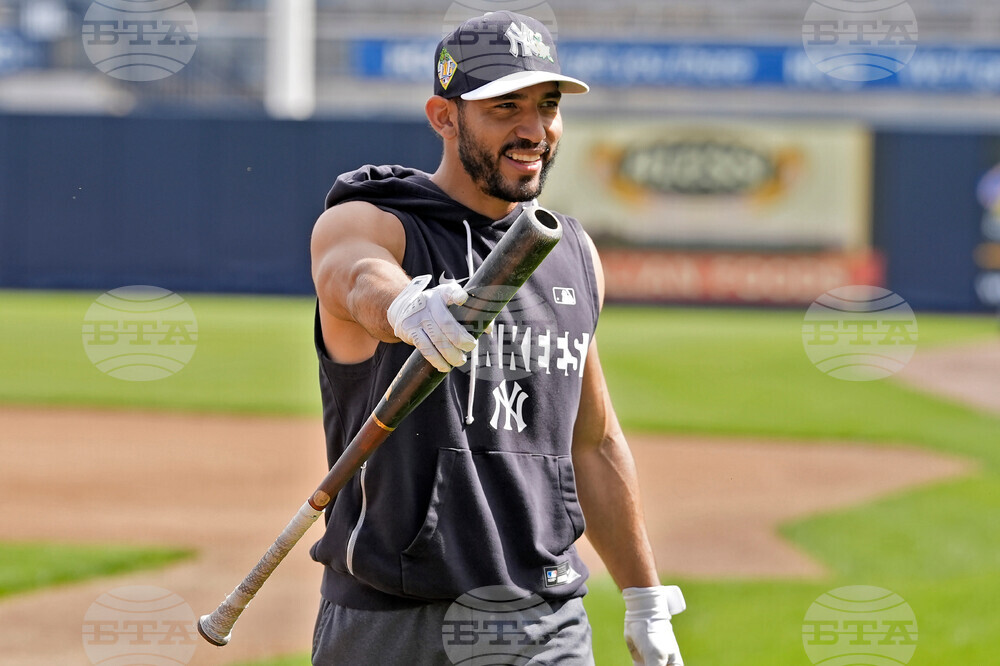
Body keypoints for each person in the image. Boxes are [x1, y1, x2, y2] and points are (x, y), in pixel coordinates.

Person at [308, 11, 685, 665]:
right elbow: (351, 274)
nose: (533, 129)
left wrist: (645, 598)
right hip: (395, 621)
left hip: (541, 622)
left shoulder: (569, 251)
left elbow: (590, 441)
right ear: (443, 116)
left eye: (546, 106)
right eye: (504, 106)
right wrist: (404, 307)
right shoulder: (378, 221)